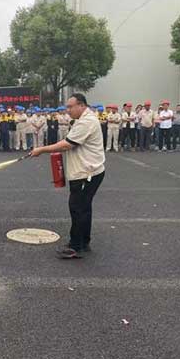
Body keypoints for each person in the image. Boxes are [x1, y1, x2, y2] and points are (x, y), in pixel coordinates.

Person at [30, 93, 105, 259]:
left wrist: (41, 149)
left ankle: (75, 246)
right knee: (84, 207)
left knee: (77, 208)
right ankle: (83, 242)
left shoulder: (87, 121)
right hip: (88, 171)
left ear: (82, 105)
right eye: (67, 107)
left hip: (87, 173)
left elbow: (67, 145)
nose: (67, 110)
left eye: (70, 107)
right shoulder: (83, 119)